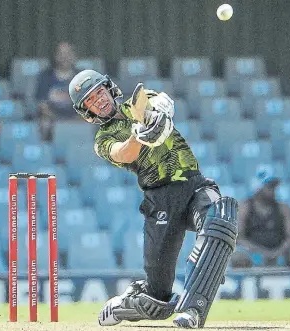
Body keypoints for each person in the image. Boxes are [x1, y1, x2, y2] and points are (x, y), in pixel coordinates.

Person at [68, 69, 238, 329]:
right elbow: (123, 154)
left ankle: (193, 310)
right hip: (161, 200)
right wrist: (138, 135)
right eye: (91, 100)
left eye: (99, 92)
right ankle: (126, 303)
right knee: (156, 300)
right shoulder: (103, 139)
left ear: (109, 88)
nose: (99, 100)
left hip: (193, 184)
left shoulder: (137, 101)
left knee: (220, 219)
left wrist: (154, 116)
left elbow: (160, 101)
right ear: (88, 112)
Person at [231, 171, 290, 268]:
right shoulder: (245, 208)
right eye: (269, 187)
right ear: (258, 188)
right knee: (238, 256)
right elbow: (239, 238)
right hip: (253, 253)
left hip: (279, 253)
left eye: (274, 187)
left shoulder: (283, 208)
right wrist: (262, 252)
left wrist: (277, 252)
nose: (273, 190)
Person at [35, 41, 79, 139]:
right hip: (53, 119)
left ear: (74, 56)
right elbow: (43, 106)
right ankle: (46, 151)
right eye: (61, 54)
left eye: (68, 54)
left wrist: (76, 119)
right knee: (44, 122)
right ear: (56, 56)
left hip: (78, 119)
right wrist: (59, 120)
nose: (65, 57)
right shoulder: (45, 77)